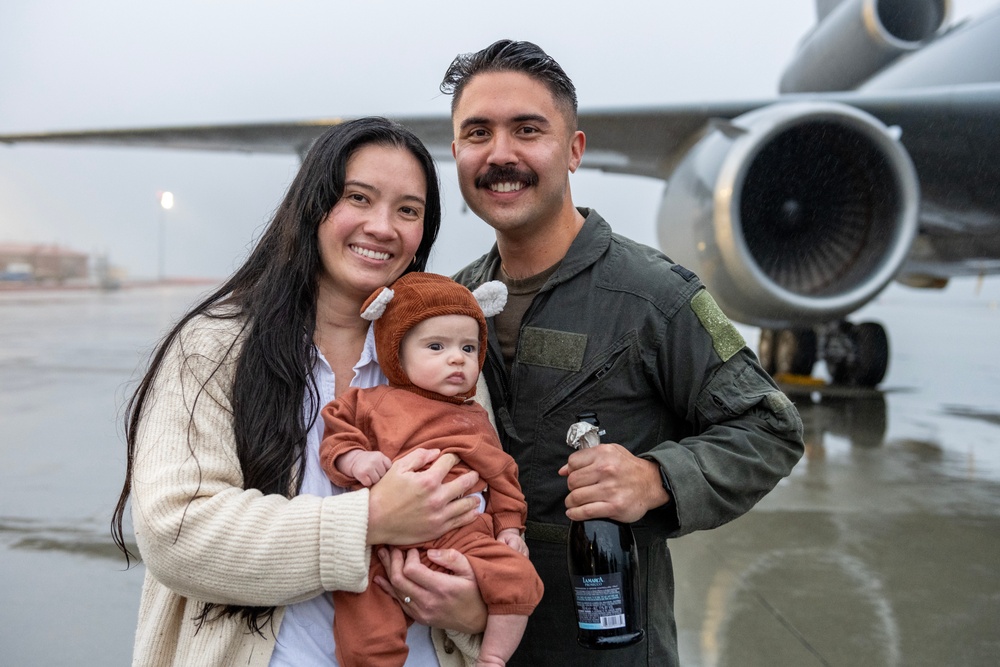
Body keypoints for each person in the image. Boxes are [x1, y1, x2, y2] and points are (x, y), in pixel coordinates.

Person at [434, 40, 806, 666]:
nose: (501, 154)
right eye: (478, 133)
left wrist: (656, 477)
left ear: (574, 150)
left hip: (607, 646)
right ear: (457, 154)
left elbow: (770, 426)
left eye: (528, 130)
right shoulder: (452, 305)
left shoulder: (654, 296)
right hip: (472, 645)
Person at [111, 117, 491, 667]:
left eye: (408, 210)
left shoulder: (446, 363)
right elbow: (177, 531)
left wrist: (477, 609)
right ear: (312, 207)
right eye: (358, 197)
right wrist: (370, 520)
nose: (382, 227)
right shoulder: (213, 349)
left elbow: (491, 514)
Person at [319, 272, 543, 667]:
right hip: (384, 545)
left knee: (521, 579)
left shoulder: (473, 418)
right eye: (436, 346)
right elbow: (336, 432)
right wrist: (355, 459)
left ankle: (492, 657)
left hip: (463, 540)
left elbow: (503, 476)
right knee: (364, 621)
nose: (456, 358)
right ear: (396, 351)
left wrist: (510, 528)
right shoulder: (370, 402)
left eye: (469, 348)